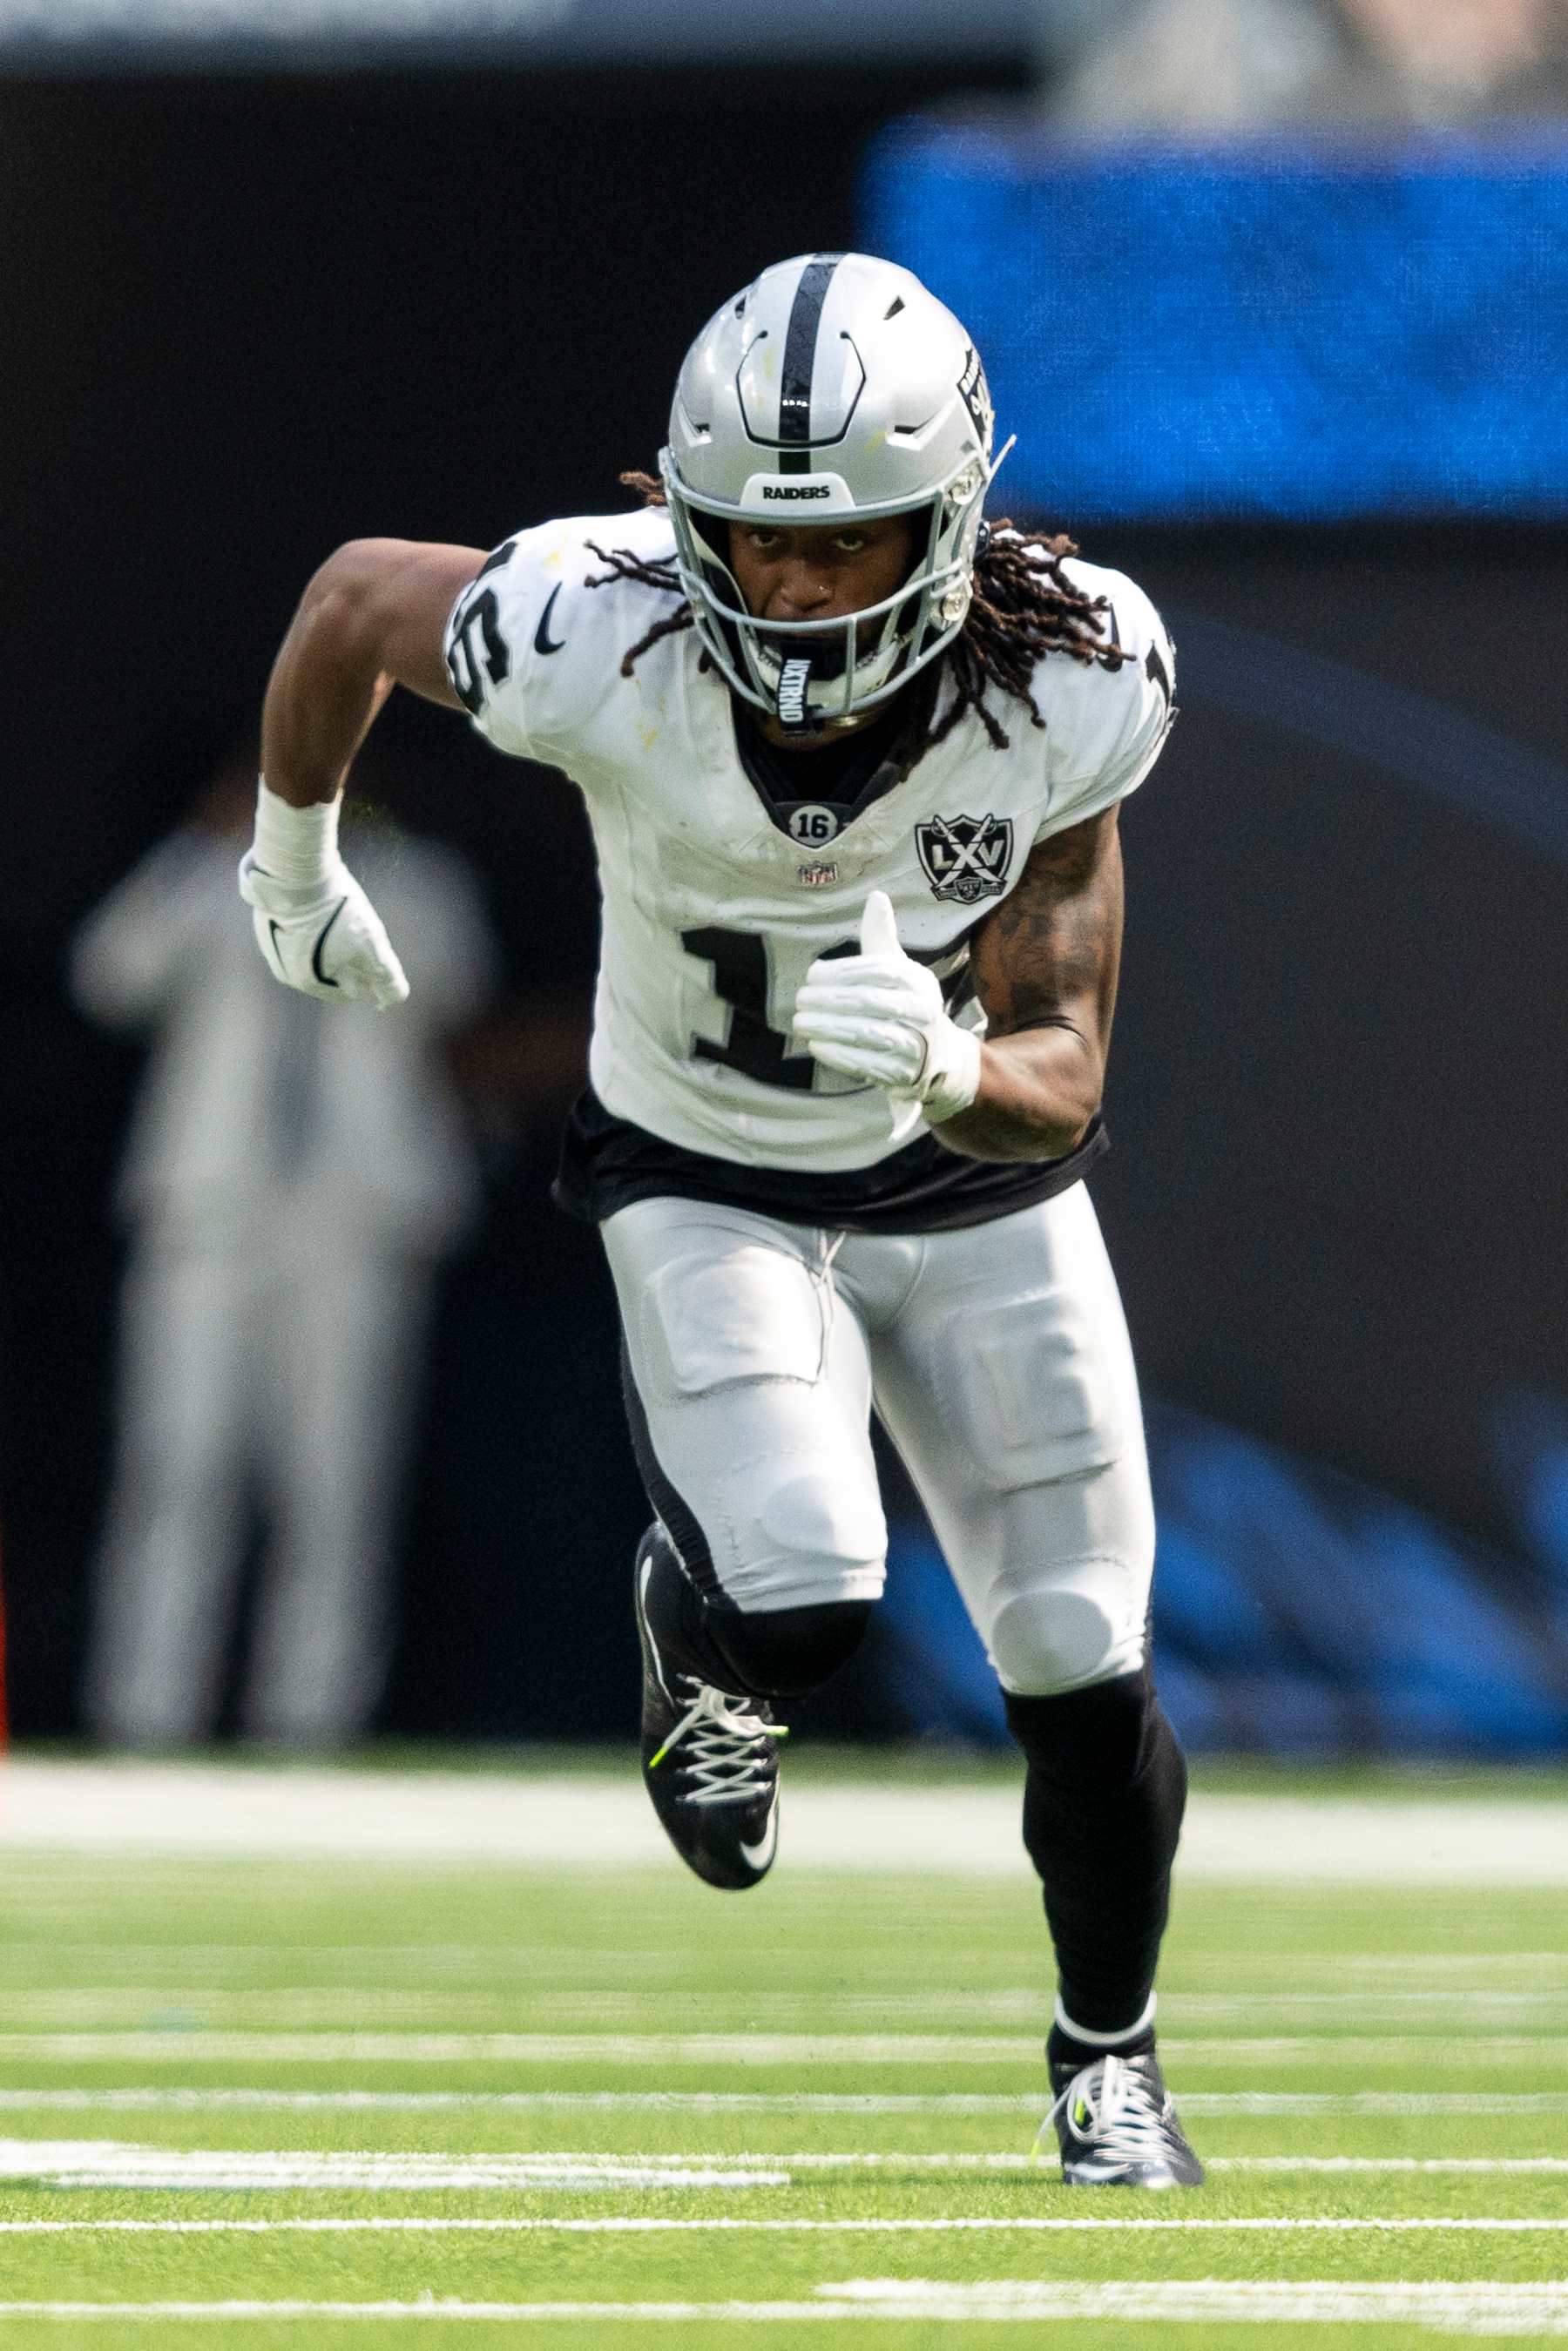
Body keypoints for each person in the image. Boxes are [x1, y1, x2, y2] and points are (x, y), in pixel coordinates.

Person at [241, 252, 1199, 2187]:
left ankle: (1108, 2057)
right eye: (755, 541)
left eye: (843, 544)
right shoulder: (591, 625)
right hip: (704, 1168)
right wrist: (292, 856)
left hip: (973, 1183)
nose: (791, 588)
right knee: (805, 1586)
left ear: (952, 522)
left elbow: (1068, 1061)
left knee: (1084, 1652)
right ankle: (705, 1650)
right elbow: (350, 599)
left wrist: (947, 1066)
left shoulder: (1071, 673)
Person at [75, 754, 496, 1748]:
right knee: (178, 1465)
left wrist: (334, 859)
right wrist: (207, 845)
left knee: (338, 1482)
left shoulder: (416, 877)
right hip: (210, 1210)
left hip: (357, 1214)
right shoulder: (215, 872)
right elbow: (110, 973)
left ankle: (312, 1727)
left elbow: (450, 983)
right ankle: (145, 1719)